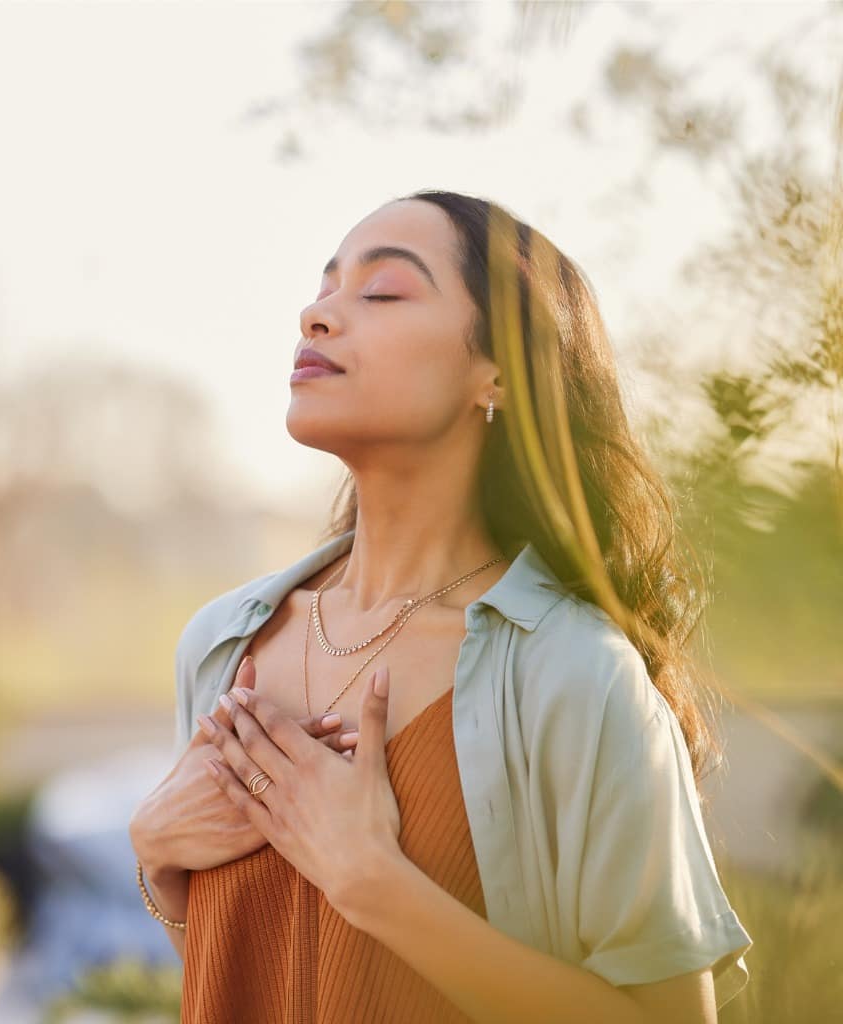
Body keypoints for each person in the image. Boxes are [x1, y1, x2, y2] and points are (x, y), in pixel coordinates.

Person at [129, 190, 753, 1023]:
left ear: (497, 372)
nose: (317, 315)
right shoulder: (219, 643)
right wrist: (159, 863)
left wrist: (374, 883)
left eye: (381, 292)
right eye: (324, 288)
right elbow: (250, 970)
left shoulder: (575, 674)